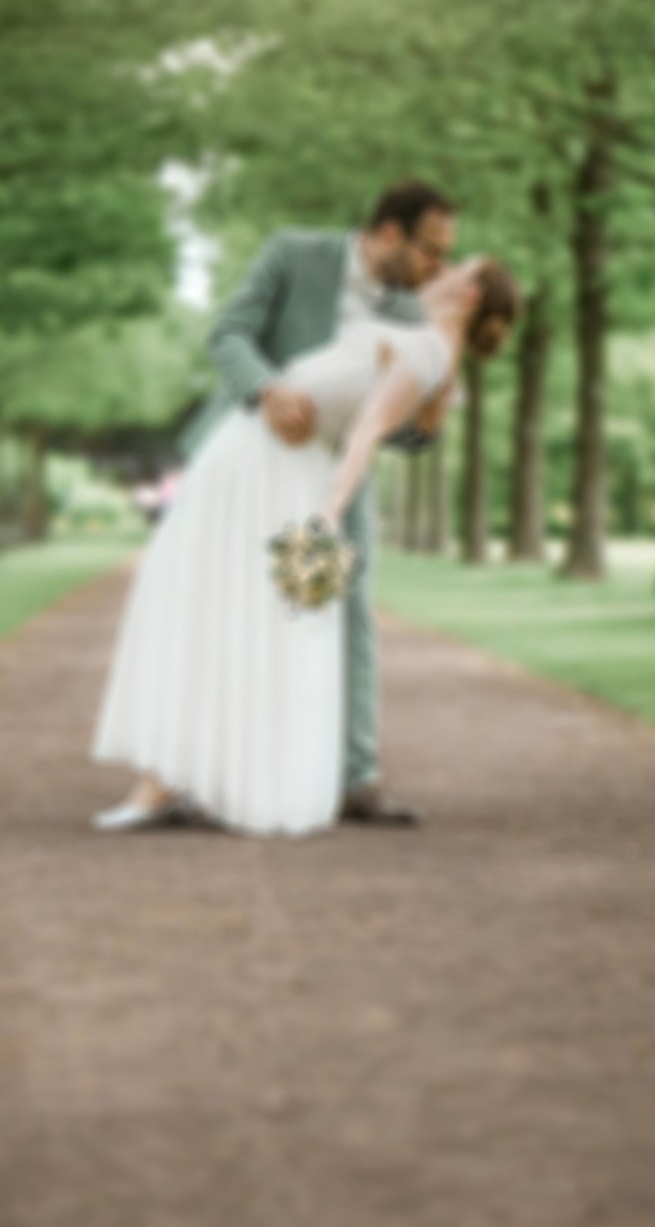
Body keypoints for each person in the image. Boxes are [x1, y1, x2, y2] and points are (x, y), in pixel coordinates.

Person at [89, 257, 520, 836]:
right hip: (261, 464)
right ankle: (188, 777)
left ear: (467, 294)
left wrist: (326, 515)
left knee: (221, 615)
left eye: (454, 267)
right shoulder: (428, 349)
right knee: (218, 614)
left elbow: (366, 433)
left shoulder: (427, 355)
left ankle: (179, 782)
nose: (439, 268)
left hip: (283, 476)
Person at [169, 180, 459, 826]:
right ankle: (205, 769)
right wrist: (268, 389)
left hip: (337, 477)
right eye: (430, 251)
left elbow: (400, 433)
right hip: (251, 457)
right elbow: (229, 335)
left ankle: (358, 777)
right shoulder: (293, 254)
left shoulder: (412, 317)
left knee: (350, 608)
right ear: (388, 234)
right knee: (234, 607)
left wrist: (431, 420)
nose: (438, 269)